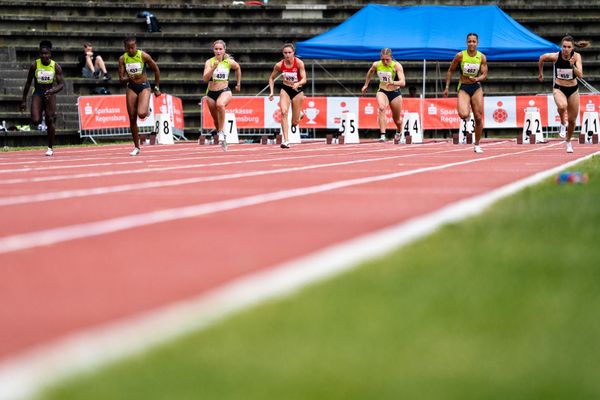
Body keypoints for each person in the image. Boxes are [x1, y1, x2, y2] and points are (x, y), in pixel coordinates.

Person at [538, 35, 589, 153]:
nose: (566, 49)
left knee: (572, 121)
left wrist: (572, 65)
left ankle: (568, 141)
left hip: (573, 89)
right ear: (561, 47)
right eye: (564, 47)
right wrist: (540, 73)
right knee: (562, 106)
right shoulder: (556, 56)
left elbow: (580, 74)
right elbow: (542, 58)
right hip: (559, 88)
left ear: (572, 48)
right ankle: (562, 122)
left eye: (568, 47)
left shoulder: (576, 57)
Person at [444, 33, 488, 153]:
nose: (471, 43)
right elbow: (450, 70)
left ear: (477, 43)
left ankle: (477, 144)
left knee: (478, 117)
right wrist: (447, 87)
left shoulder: (482, 57)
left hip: (476, 87)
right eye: (469, 41)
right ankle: (467, 113)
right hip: (463, 87)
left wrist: (477, 79)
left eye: (474, 41)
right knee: (463, 114)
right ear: (466, 43)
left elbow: (484, 74)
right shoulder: (460, 56)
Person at [19, 40, 64, 156]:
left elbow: (61, 85)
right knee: (35, 120)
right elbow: (28, 83)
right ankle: (42, 118)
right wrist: (23, 100)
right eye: (42, 54)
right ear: (39, 54)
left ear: (50, 54)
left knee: (51, 120)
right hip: (38, 93)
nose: (44, 56)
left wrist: (53, 90)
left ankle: (50, 147)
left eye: (46, 54)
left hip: (50, 93)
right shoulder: (35, 65)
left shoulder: (56, 66)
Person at [118, 37, 161, 156]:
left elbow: (156, 70)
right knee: (132, 118)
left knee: (141, 114)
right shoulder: (123, 59)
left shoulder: (144, 56)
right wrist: (128, 78)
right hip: (131, 87)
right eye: (128, 48)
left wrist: (156, 87)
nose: (131, 50)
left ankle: (147, 110)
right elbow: (121, 79)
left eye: (133, 47)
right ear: (125, 48)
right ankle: (137, 147)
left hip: (144, 86)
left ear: (136, 46)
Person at [202, 39, 241, 151]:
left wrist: (238, 84)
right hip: (211, 93)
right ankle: (220, 132)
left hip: (224, 90)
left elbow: (238, 68)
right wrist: (213, 67)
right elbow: (205, 79)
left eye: (220, 49)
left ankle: (222, 132)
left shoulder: (228, 62)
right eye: (216, 49)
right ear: (213, 50)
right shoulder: (209, 62)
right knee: (215, 119)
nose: (218, 51)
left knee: (220, 105)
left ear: (224, 50)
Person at [361, 48, 405, 142]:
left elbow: (403, 82)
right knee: (381, 107)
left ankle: (399, 131)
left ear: (391, 58)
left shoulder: (397, 66)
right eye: (383, 59)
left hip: (395, 93)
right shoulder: (376, 64)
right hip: (382, 91)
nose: (385, 62)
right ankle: (382, 135)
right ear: (380, 58)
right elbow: (370, 72)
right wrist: (366, 85)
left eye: (387, 60)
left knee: (397, 120)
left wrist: (392, 82)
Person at [268, 43, 307, 149]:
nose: (287, 55)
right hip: (285, 89)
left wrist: (298, 83)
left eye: (289, 52)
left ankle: (299, 116)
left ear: (293, 53)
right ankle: (286, 140)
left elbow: (304, 79)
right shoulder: (279, 65)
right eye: (285, 53)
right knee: (284, 112)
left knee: (294, 122)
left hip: (297, 90)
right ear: (283, 53)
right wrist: (271, 92)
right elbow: (271, 78)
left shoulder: (299, 63)